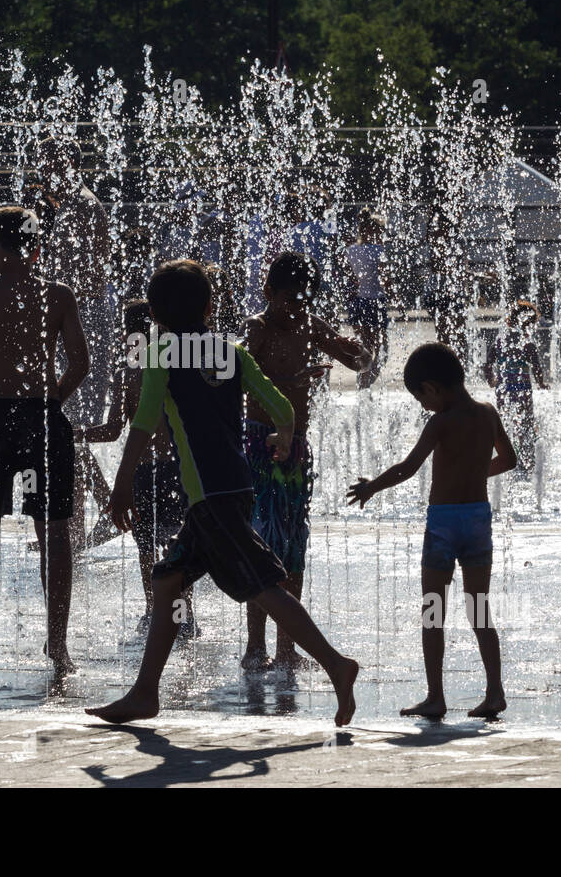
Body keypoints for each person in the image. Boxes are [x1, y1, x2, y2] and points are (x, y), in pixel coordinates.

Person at [86, 259, 359, 726]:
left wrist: (122, 485)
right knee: (169, 579)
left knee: (262, 587)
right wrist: (285, 437)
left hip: (211, 495)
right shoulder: (231, 351)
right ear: (211, 306)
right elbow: (277, 404)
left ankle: (337, 665)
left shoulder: (159, 353)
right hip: (231, 486)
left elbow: (143, 423)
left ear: (154, 313)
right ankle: (145, 693)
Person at [0, 206, 88, 680]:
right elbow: (80, 364)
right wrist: (49, 400)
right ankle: (59, 645)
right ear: (37, 248)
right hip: (42, 421)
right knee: (52, 532)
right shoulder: (58, 295)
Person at [348, 342, 516, 720]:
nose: (422, 405)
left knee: (432, 612)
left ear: (433, 387)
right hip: (477, 520)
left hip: (443, 524)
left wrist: (371, 487)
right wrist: (474, 473)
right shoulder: (488, 414)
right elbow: (509, 459)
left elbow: (408, 468)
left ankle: (436, 696)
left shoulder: (440, 422)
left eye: (420, 396)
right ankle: (495, 692)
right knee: (479, 610)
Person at [242, 252, 372, 670]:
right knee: (261, 544)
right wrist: (290, 382)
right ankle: (255, 646)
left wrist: (360, 352)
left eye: (304, 299)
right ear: (268, 292)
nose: (296, 307)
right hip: (261, 447)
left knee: (293, 545)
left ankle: (286, 648)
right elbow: (233, 374)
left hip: (295, 450)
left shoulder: (309, 324)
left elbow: (358, 361)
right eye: (289, 299)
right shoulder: (257, 329)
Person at [79, 300, 197, 637]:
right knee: (179, 543)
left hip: (143, 473)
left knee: (146, 546)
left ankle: (153, 611)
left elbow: (113, 430)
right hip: (179, 469)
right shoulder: (178, 365)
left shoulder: (127, 374)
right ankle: (184, 613)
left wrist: (71, 433)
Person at [25, 138, 116, 553]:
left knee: (69, 429)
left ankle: (82, 528)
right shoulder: (63, 206)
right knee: (64, 429)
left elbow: (84, 275)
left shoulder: (80, 206)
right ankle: (78, 528)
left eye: (48, 162)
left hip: (83, 323)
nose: (41, 170)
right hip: (74, 320)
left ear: (68, 164)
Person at [483, 301, 548, 473]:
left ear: (509, 322)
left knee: (504, 424)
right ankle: (525, 460)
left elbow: (488, 363)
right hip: (523, 390)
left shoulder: (500, 341)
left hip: (503, 391)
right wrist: (541, 383)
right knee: (525, 424)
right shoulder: (528, 343)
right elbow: (536, 367)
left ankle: (507, 456)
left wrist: (491, 380)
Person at [342, 208, 390, 389]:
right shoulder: (379, 251)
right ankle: (365, 386)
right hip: (374, 302)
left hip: (356, 304)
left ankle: (362, 386)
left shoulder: (350, 251)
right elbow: (386, 280)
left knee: (364, 351)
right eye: (380, 231)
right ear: (372, 231)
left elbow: (350, 280)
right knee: (383, 350)